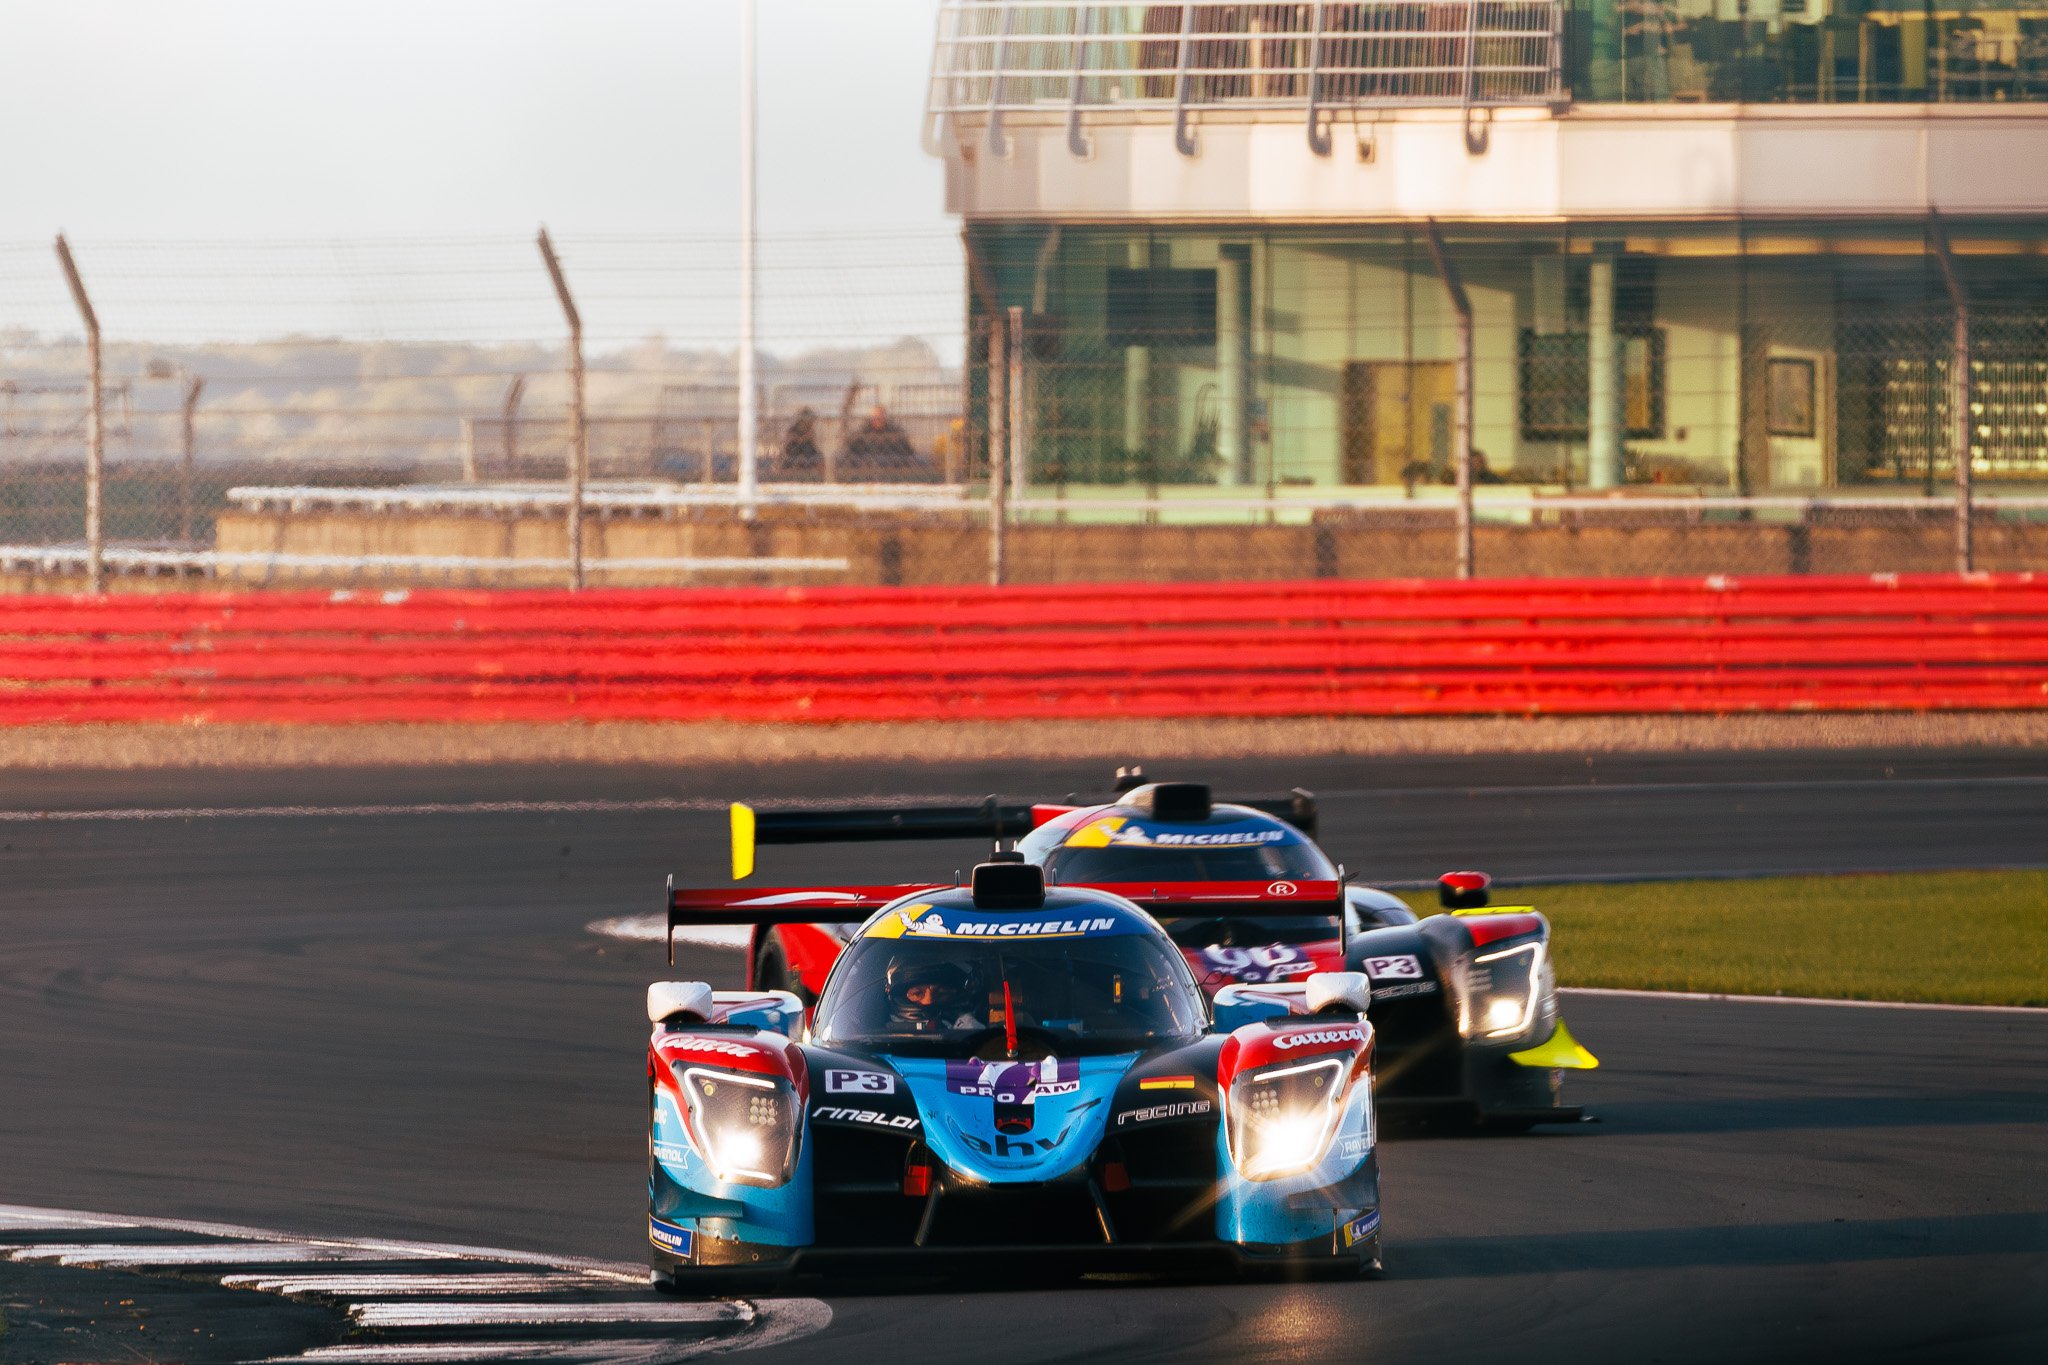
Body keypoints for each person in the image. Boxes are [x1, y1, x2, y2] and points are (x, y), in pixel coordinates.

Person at [885, 958, 983, 1033]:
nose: (929, 1001)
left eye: (941, 993)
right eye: (917, 993)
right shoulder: (877, 1036)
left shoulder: (970, 1030)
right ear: (901, 997)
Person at [840, 403, 925, 481]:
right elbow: (853, 446)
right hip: (868, 460)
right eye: (875, 417)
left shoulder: (894, 430)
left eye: (880, 417)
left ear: (885, 418)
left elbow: (906, 448)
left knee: (921, 460)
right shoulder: (864, 431)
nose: (877, 420)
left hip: (890, 460)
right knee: (841, 458)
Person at [778, 408, 823, 481]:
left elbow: (813, 443)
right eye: (809, 421)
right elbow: (789, 442)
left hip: (807, 454)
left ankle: (813, 475)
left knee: (817, 455)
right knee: (793, 452)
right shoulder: (792, 430)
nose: (811, 423)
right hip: (794, 453)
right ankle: (793, 472)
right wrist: (800, 438)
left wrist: (806, 437)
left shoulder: (810, 431)